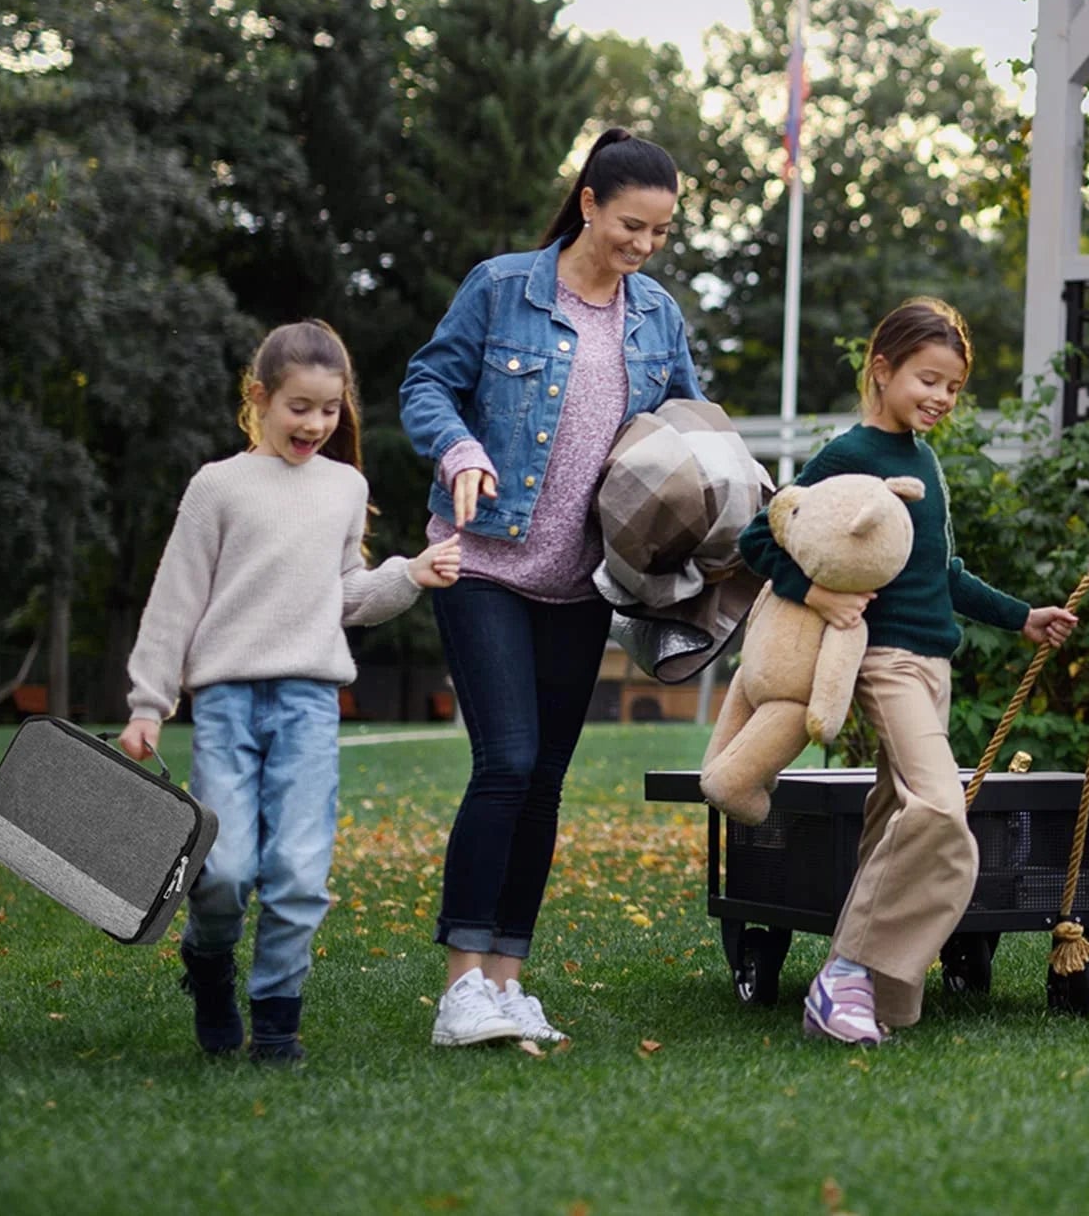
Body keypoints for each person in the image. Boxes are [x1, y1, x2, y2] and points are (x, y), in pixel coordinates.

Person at [400, 127, 703, 1049]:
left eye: (660, 232)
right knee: (507, 763)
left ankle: (506, 981)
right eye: (630, 226)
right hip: (482, 562)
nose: (644, 247)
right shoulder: (501, 288)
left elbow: (691, 431)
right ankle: (460, 988)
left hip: (582, 583)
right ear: (588, 205)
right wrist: (459, 449)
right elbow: (426, 385)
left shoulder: (656, 316)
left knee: (546, 785)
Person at [738, 298, 1078, 1044]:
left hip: (932, 666)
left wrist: (1022, 616)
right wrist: (820, 593)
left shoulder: (925, 462)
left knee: (895, 817)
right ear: (882, 369)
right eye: (928, 379)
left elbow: (941, 572)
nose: (941, 398)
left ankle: (874, 998)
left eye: (953, 387)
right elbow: (759, 540)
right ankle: (849, 975)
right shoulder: (847, 455)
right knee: (938, 811)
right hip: (884, 661)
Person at [118, 321, 460, 1062]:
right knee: (227, 870)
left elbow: (340, 595)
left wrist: (409, 574)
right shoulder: (219, 486)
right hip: (227, 706)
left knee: (300, 876)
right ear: (260, 398)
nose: (315, 424)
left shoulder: (345, 487)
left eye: (330, 410)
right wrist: (148, 703)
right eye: (299, 407)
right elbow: (175, 598)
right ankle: (207, 966)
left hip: (309, 704)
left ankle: (276, 1021)